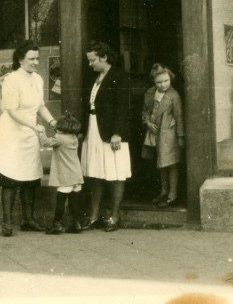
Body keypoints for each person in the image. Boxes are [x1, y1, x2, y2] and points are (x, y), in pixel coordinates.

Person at [0, 40, 58, 237]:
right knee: (10, 178)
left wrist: (52, 122)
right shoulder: (11, 80)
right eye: (31, 59)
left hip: (29, 135)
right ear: (20, 59)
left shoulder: (38, 79)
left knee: (30, 178)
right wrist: (33, 125)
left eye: (37, 58)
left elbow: (40, 106)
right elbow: (11, 111)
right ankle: (7, 223)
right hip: (10, 135)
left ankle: (28, 220)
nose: (36, 62)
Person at [79, 41, 131, 232]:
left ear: (104, 57)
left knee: (115, 173)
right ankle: (94, 216)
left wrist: (118, 132)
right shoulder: (93, 77)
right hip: (93, 130)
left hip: (111, 133)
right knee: (95, 173)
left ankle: (114, 217)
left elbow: (123, 107)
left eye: (92, 60)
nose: (90, 64)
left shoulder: (119, 76)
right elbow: (88, 106)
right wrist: (82, 130)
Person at [141, 63, 184, 207]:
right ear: (153, 81)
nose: (163, 84)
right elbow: (145, 111)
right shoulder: (150, 93)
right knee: (161, 163)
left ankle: (173, 194)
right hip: (154, 132)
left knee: (171, 163)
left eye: (166, 81)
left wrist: (180, 136)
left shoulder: (174, 95)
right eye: (159, 82)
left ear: (170, 79)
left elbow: (179, 116)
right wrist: (147, 122)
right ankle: (164, 191)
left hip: (168, 133)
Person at [38, 112, 84, 235]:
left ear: (61, 128)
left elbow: (45, 142)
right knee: (74, 201)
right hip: (76, 175)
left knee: (60, 201)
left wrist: (41, 132)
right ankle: (76, 224)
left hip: (65, 176)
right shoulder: (74, 138)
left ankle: (56, 224)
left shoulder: (59, 138)